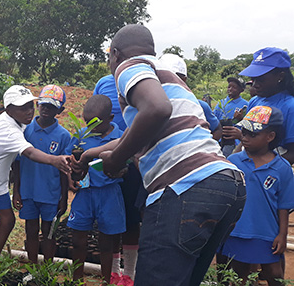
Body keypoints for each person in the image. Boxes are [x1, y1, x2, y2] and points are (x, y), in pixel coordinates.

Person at [87, 24, 244, 286]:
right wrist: (91, 155)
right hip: (226, 184)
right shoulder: (170, 79)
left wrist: (114, 160)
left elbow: (158, 109)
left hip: (186, 188)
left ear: (115, 54)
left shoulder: (130, 66)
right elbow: (136, 134)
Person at [0, 85, 72, 254]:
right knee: (8, 220)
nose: (29, 112)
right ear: (9, 110)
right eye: (22, 108)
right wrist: (55, 160)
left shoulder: (17, 121)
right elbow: (30, 153)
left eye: (30, 106)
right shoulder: (9, 130)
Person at [218, 106, 294, 286]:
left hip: (266, 233)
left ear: (270, 137)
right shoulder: (233, 162)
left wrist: (282, 235)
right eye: (243, 132)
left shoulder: (282, 168)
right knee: (237, 276)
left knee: (274, 275)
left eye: (252, 135)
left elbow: (284, 206)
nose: (244, 138)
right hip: (235, 231)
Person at [66, 95, 126, 284]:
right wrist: (70, 176)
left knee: (107, 242)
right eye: (87, 122)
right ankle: (77, 280)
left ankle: (106, 280)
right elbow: (69, 161)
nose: (90, 127)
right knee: (78, 239)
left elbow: (128, 165)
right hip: (85, 193)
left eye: (96, 123)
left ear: (110, 118)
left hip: (109, 193)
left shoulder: (122, 137)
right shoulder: (81, 136)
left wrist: (120, 172)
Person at [92, 74, 144, 280]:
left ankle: (129, 273)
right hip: (107, 155)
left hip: (132, 157)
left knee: (131, 220)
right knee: (109, 221)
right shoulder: (103, 82)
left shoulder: (143, 80)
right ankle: (113, 271)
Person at [12, 85, 71, 264]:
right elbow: (17, 163)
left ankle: (47, 268)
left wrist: (63, 197)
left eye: (51, 107)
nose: (46, 109)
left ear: (60, 110)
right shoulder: (24, 130)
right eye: (43, 105)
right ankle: (32, 266)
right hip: (28, 191)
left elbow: (64, 169)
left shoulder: (63, 136)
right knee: (30, 231)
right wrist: (16, 190)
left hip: (51, 194)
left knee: (48, 232)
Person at [225, 47, 294, 164]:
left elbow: (292, 152)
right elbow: (247, 139)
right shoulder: (255, 101)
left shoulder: (290, 107)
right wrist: (231, 162)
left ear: (280, 77)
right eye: (253, 80)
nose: (255, 85)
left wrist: (261, 169)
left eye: (261, 80)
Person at [159, 54, 221, 139]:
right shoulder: (150, 106)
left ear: (183, 80)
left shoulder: (199, 106)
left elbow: (217, 130)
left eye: (171, 78)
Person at [214, 77, 248, 157]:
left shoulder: (245, 105)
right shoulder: (221, 103)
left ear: (241, 90)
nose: (230, 89)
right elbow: (214, 119)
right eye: (229, 86)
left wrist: (241, 119)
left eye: (234, 87)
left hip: (236, 142)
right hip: (220, 140)